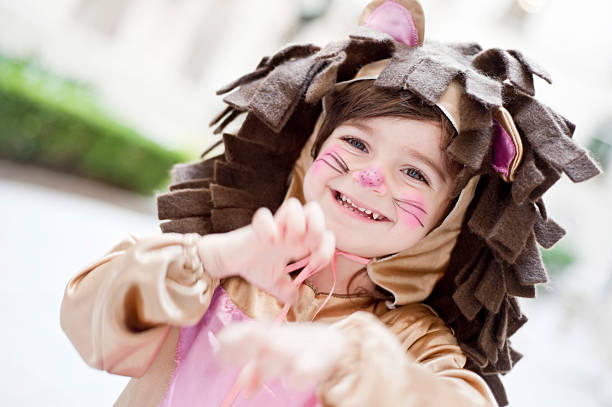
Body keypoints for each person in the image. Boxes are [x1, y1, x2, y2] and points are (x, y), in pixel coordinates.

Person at [60, 1, 600, 406]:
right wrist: (219, 258)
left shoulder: (416, 343)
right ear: (311, 150)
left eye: (413, 172)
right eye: (357, 143)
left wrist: (353, 360)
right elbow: (91, 322)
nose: (370, 177)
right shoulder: (214, 266)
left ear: (448, 219)